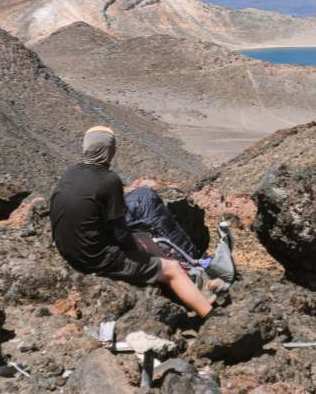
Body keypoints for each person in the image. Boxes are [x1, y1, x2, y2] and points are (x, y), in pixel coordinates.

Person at [49, 126, 213, 317]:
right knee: (172, 268)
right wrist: (135, 250)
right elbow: (121, 232)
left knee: (144, 238)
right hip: (95, 260)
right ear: (110, 151)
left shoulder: (71, 173)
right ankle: (209, 313)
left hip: (70, 252)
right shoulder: (109, 180)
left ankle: (185, 280)